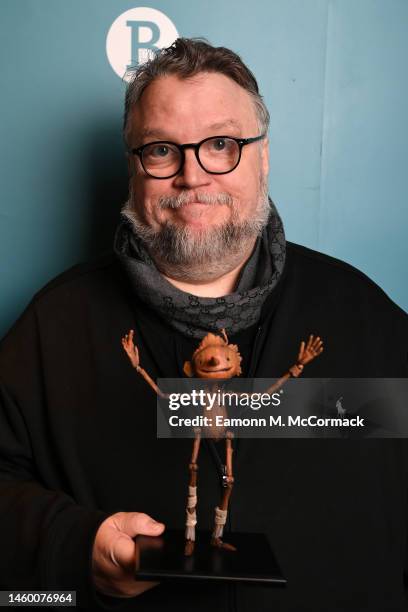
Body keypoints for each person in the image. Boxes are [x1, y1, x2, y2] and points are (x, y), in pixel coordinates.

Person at [0, 38, 407, 611]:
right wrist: (73, 547)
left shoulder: (367, 318)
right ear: (133, 167)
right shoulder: (53, 327)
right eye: (163, 149)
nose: (193, 175)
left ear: (263, 156)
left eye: (222, 144)